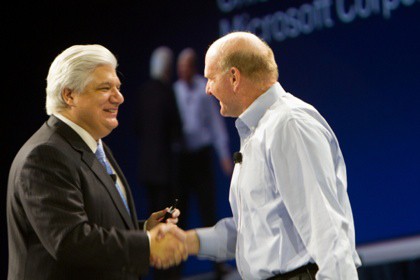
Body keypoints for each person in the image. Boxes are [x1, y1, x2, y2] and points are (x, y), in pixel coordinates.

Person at [185, 32, 362, 279]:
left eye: (211, 78)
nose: (207, 89)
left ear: (234, 77)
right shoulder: (259, 131)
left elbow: (326, 228)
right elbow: (257, 234)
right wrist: (189, 242)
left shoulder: (289, 124)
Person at [6, 44, 188, 280]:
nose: (119, 97)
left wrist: (143, 229)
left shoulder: (94, 145)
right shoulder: (43, 156)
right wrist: (146, 243)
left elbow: (94, 224)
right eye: (105, 88)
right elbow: (71, 242)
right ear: (69, 95)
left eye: (118, 88)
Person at [173, 48, 233, 279]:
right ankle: (175, 268)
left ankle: (218, 264)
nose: (182, 71)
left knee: (208, 210)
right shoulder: (175, 91)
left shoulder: (203, 88)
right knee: (181, 213)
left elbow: (215, 122)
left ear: (193, 67)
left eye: (186, 66)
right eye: (179, 68)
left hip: (202, 155)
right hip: (182, 158)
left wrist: (224, 154)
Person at [134, 46, 183, 280]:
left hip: (147, 170)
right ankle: (168, 272)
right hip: (165, 170)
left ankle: (158, 271)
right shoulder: (166, 91)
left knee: (152, 221)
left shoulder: (143, 92)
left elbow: (136, 127)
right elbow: (176, 127)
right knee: (167, 220)